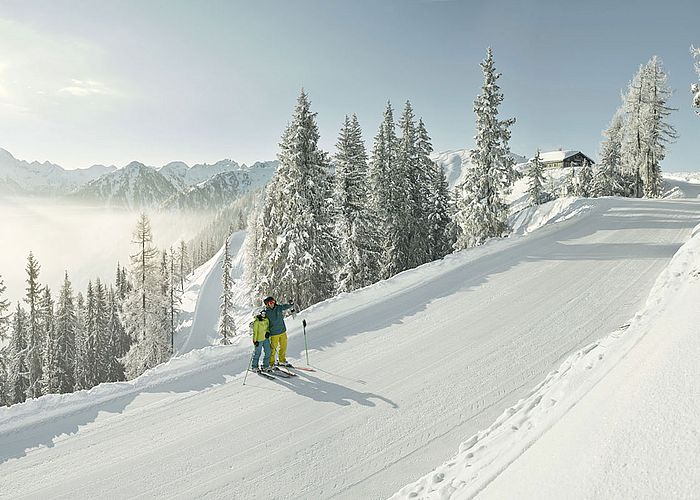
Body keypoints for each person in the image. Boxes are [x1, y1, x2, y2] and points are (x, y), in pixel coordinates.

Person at [263, 296, 294, 368]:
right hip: (274, 334)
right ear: (267, 304)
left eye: (273, 302)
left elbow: (285, 306)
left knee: (283, 347)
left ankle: (282, 360)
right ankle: (271, 363)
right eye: (270, 302)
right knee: (273, 349)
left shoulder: (278, 308)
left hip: (282, 331)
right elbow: (263, 323)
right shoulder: (266, 312)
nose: (272, 304)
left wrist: (291, 304)